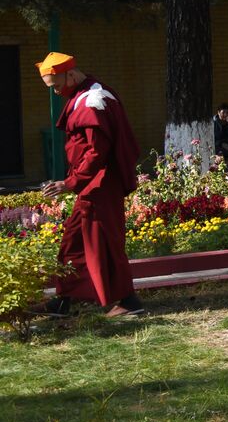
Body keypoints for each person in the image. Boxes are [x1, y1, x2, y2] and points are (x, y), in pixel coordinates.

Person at [32, 52, 145, 317]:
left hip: (101, 184)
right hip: (93, 184)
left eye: (56, 85)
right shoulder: (90, 94)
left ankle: (128, 301)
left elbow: (97, 151)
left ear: (70, 74)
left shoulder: (93, 101)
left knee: (105, 241)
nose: (56, 92)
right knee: (75, 240)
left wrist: (70, 183)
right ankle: (65, 299)